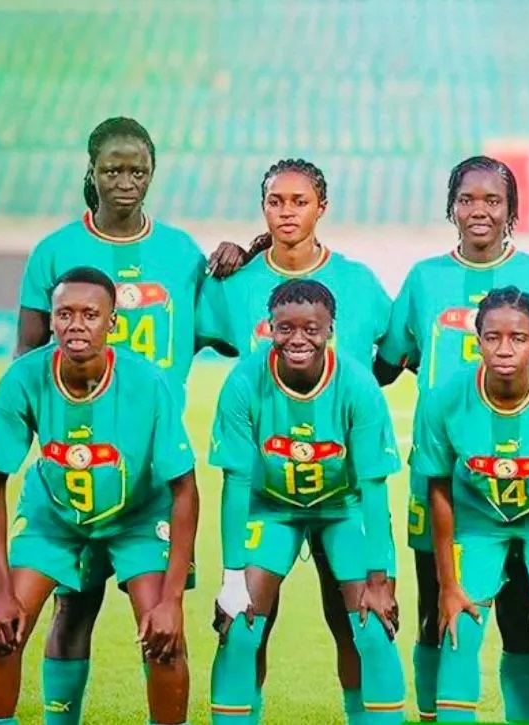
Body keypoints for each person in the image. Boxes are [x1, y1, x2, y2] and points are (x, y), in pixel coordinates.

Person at [12, 116, 251, 725]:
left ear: (153, 173)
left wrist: (237, 263)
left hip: (153, 472)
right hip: (77, 469)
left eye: (137, 170)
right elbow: (26, 358)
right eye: (112, 169)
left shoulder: (180, 254)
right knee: (72, 609)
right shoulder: (54, 251)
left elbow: (231, 337)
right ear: (91, 172)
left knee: (162, 620)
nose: (125, 181)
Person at [374, 156, 529, 722]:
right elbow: (389, 363)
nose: (479, 211)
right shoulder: (424, 278)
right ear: (451, 207)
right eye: (467, 199)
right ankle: (433, 714)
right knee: (437, 606)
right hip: (446, 472)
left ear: (511, 209)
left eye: (493, 200)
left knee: (522, 612)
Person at [197, 158, 395, 722]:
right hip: (269, 492)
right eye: (275, 201)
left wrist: (348, 409)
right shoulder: (235, 284)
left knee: (365, 626)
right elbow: (194, 339)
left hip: (344, 492)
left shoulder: (359, 283)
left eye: (300, 201)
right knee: (242, 625)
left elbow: (391, 358)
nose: (287, 212)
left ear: (321, 207)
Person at [0, 266, 199, 725]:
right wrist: (0, 592)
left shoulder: (148, 383)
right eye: (65, 314)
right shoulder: (23, 378)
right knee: (4, 634)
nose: (76, 325)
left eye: (90, 315)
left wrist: (172, 600)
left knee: (164, 641)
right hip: (54, 517)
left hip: (140, 517)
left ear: (112, 321)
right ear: (52, 319)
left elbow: (184, 489)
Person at [412, 286, 529, 723]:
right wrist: (447, 584)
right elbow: (437, 488)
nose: (504, 349)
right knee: (459, 627)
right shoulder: (444, 398)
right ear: (477, 340)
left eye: (518, 338)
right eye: (492, 337)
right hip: (478, 517)